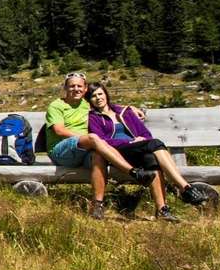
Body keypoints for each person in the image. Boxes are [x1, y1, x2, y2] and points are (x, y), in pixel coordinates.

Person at [85, 83, 210, 221]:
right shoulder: (93, 117)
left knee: (151, 158)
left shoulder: (124, 112)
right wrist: (129, 142)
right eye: (93, 96)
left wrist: (141, 139)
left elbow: (146, 134)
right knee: (155, 144)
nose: (98, 98)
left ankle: (162, 210)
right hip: (116, 153)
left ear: (106, 94)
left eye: (100, 94)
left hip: (137, 149)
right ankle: (184, 188)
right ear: (90, 100)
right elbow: (101, 141)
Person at [44, 71, 157, 220]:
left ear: (85, 90)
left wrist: (129, 108)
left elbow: (107, 105)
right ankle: (134, 172)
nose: (75, 89)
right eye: (71, 86)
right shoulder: (57, 105)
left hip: (86, 149)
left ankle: (97, 205)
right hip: (61, 151)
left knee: (99, 154)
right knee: (94, 139)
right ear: (65, 88)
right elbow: (59, 130)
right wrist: (87, 139)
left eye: (79, 86)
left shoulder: (87, 104)